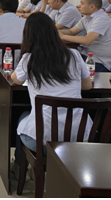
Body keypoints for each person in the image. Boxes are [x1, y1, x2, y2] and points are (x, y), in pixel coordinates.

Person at [11, 12, 92, 165]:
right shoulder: (74, 55)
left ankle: (19, 166)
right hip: (79, 137)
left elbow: (15, 80)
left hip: (42, 140)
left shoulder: (29, 59)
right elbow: (87, 86)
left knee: (22, 117)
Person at [59, 0, 111, 72]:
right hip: (86, 55)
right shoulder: (87, 18)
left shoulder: (101, 18)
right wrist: (54, 31)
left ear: (92, 7)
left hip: (98, 62)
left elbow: (87, 40)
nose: (79, 6)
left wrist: (63, 36)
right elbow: (71, 31)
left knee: (63, 68)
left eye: (82, 3)